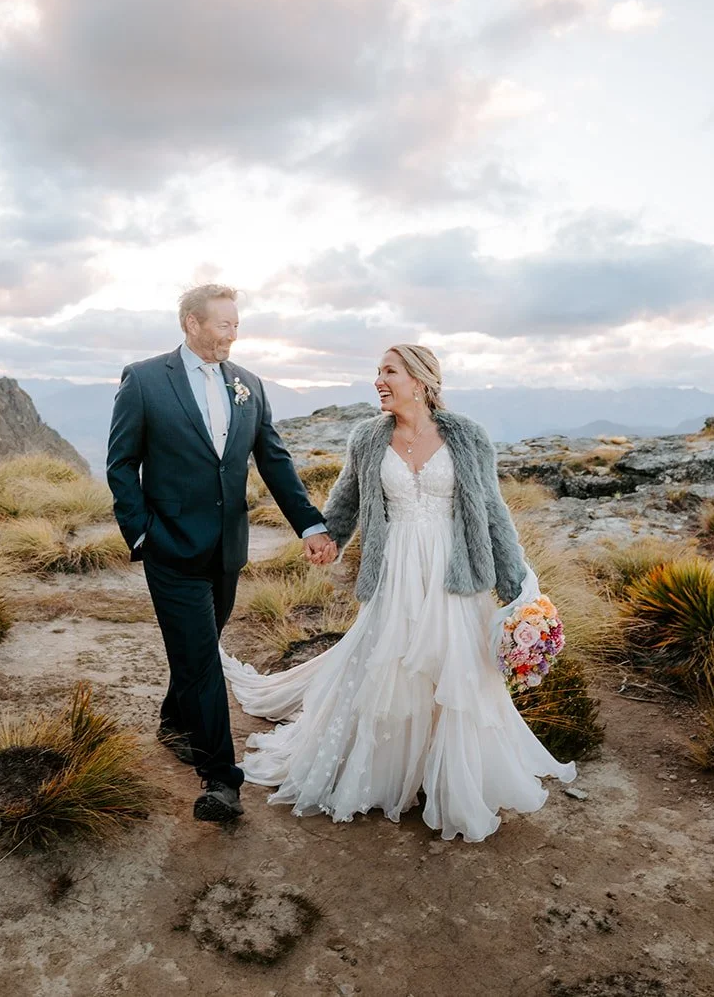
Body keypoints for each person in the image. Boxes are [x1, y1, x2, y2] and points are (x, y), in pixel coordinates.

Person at [221, 344, 576, 842]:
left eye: (389, 372)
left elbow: (493, 514)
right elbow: (346, 502)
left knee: (452, 674)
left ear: (421, 380)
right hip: (395, 572)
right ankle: (389, 772)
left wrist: (517, 588)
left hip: (453, 574)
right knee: (389, 668)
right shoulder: (368, 437)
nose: (378, 381)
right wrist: (325, 539)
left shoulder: (468, 437)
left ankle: (448, 774)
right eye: (378, 372)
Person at [106, 285, 338, 823]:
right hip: (170, 549)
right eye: (225, 324)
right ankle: (220, 780)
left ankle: (173, 722)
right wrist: (142, 535)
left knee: (198, 648)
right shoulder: (143, 380)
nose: (235, 333)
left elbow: (275, 461)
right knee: (203, 661)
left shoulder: (249, 385)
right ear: (191, 323)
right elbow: (122, 463)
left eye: (237, 324)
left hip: (228, 549)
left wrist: (310, 525)